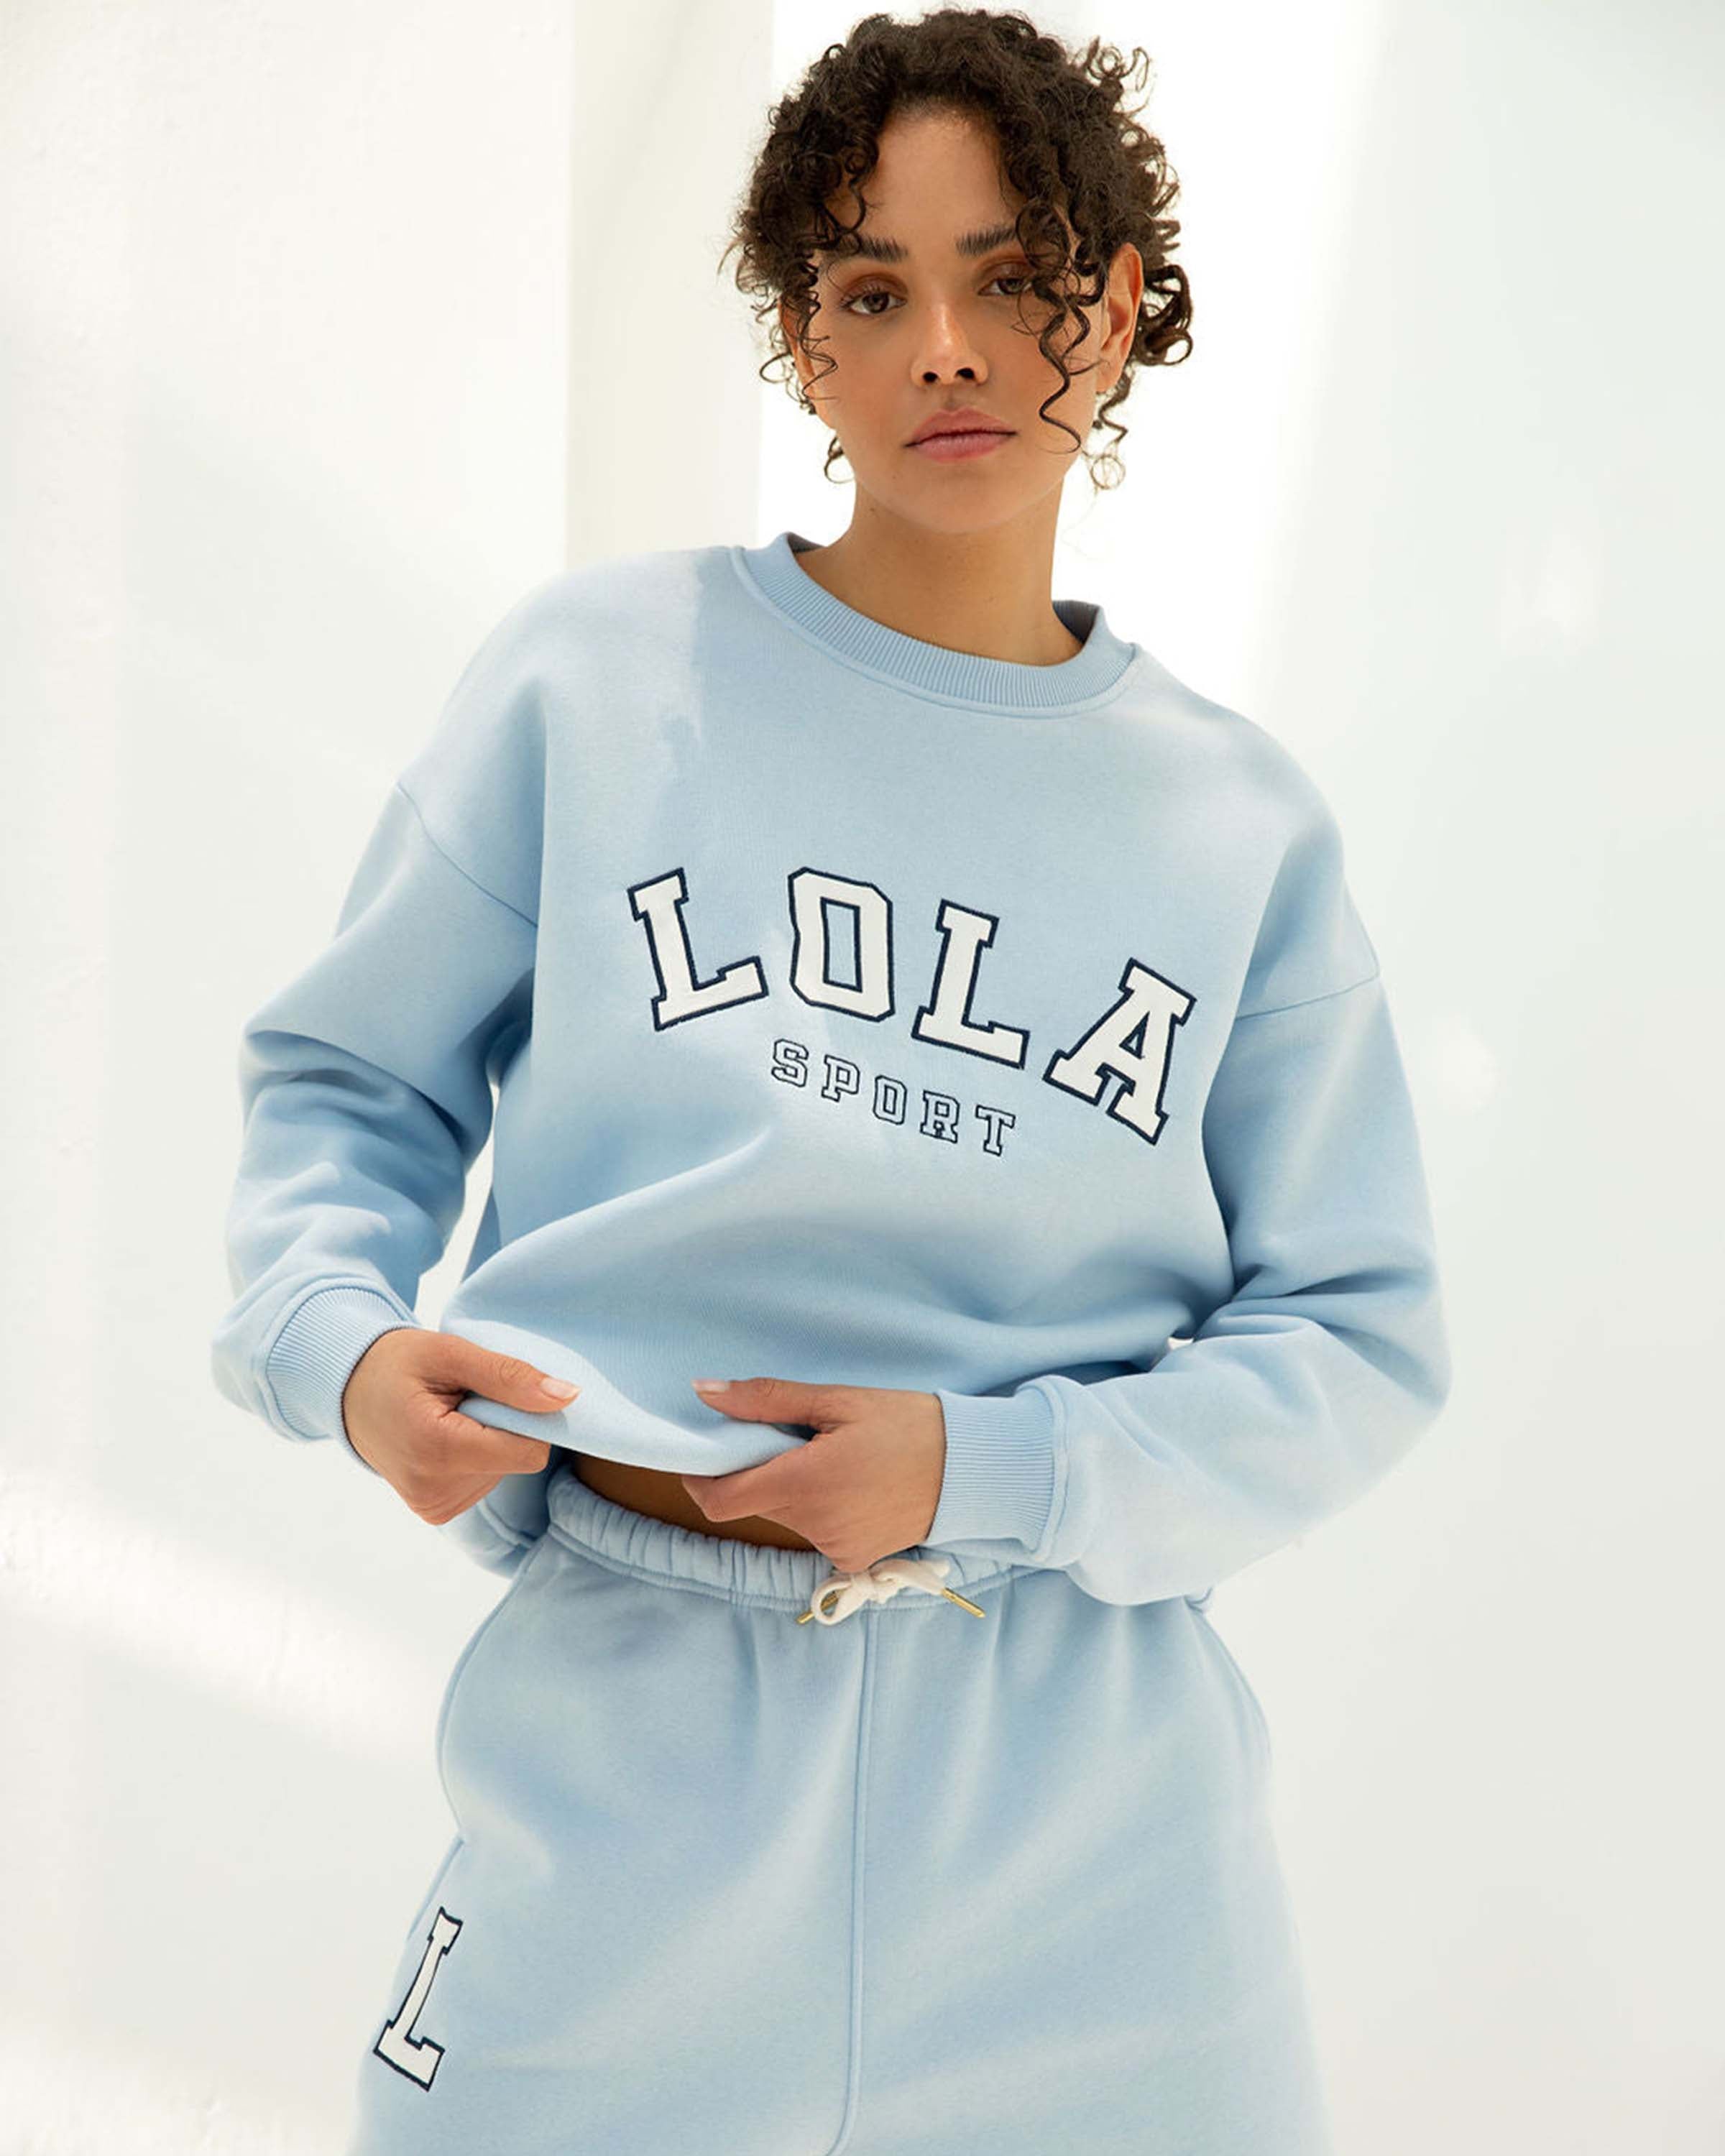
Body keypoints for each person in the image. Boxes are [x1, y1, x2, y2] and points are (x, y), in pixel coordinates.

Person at [210, 11, 1451, 2152]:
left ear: (1115, 307)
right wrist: (338, 1342)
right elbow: (350, 1079)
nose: (946, 349)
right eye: (874, 291)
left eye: (1011, 277)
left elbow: (1359, 1334)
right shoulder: (600, 682)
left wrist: (989, 1467)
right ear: (805, 341)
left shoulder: (1239, 829)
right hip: (630, 1747)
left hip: (1086, 1816)